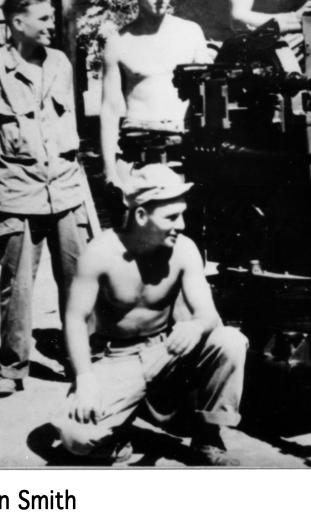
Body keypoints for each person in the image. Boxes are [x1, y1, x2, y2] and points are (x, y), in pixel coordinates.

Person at [55, 164, 248, 466]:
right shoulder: (100, 253)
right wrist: (85, 380)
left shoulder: (184, 250)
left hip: (165, 350)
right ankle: (120, 432)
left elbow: (208, 314)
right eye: (171, 217)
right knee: (76, 438)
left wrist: (197, 326)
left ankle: (207, 434)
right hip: (114, 358)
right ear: (141, 215)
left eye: (182, 214)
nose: (182, 224)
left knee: (230, 340)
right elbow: (75, 319)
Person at [0, 0, 91, 398]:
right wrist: (12, 174)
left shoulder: (60, 63)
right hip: (18, 195)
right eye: (45, 19)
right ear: (18, 23)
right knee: (16, 287)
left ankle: (84, 363)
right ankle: (12, 367)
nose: (53, 25)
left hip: (67, 191)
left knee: (79, 280)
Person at [100, 0, 213, 192]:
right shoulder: (118, 43)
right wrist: (110, 172)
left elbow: (207, 100)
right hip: (137, 155)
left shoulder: (191, 33)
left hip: (183, 151)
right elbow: (109, 111)